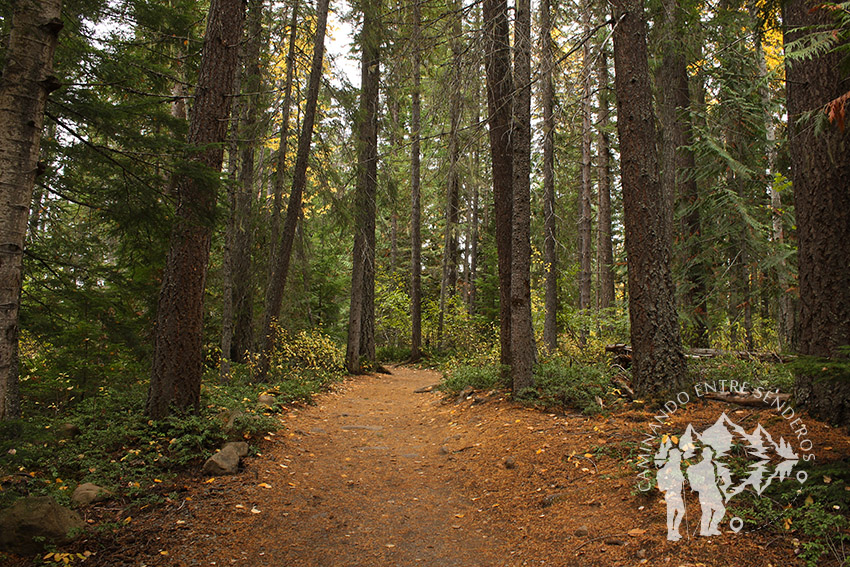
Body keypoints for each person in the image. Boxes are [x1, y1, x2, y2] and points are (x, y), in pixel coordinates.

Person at [686, 446, 725, 536]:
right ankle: (705, 530)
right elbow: (695, 480)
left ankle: (711, 529)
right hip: (705, 492)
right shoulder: (699, 467)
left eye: (710, 454)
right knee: (708, 511)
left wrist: (719, 480)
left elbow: (712, 479)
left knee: (719, 510)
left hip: (712, 491)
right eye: (707, 454)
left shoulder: (710, 466)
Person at [657, 447, 685, 541]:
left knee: (681, 511)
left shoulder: (677, 468)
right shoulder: (668, 468)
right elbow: (663, 483)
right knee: (671, 514)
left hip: (677, 493)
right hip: (672, 494)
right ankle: (670, 534)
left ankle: (675, 531)